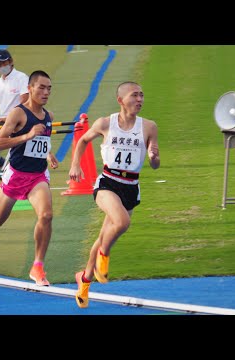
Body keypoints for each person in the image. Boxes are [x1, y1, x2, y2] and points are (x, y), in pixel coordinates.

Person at [68, 81, 160, 308]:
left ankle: (84, 282)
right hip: (108, 182)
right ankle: (104, 256)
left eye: (141, 95)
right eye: (134, 95)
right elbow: (83, 140)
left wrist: (153, 156)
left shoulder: (149, 126)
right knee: (121, 222)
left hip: (130, 186)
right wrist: (75, 165)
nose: (139, 99)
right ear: (120, 100)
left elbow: (155, 164)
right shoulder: (105, 123)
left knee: (103, 235)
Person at [0, 70, 59, 286]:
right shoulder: (18, 114)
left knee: (46, 215)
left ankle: (37, 266)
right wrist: (27, 135)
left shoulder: (48, 116)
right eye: (41, 87)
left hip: (37, 175)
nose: (46, 92)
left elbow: (41, 140)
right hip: (16, 174)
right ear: (30, 88)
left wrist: (48, 154)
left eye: (49, 88)